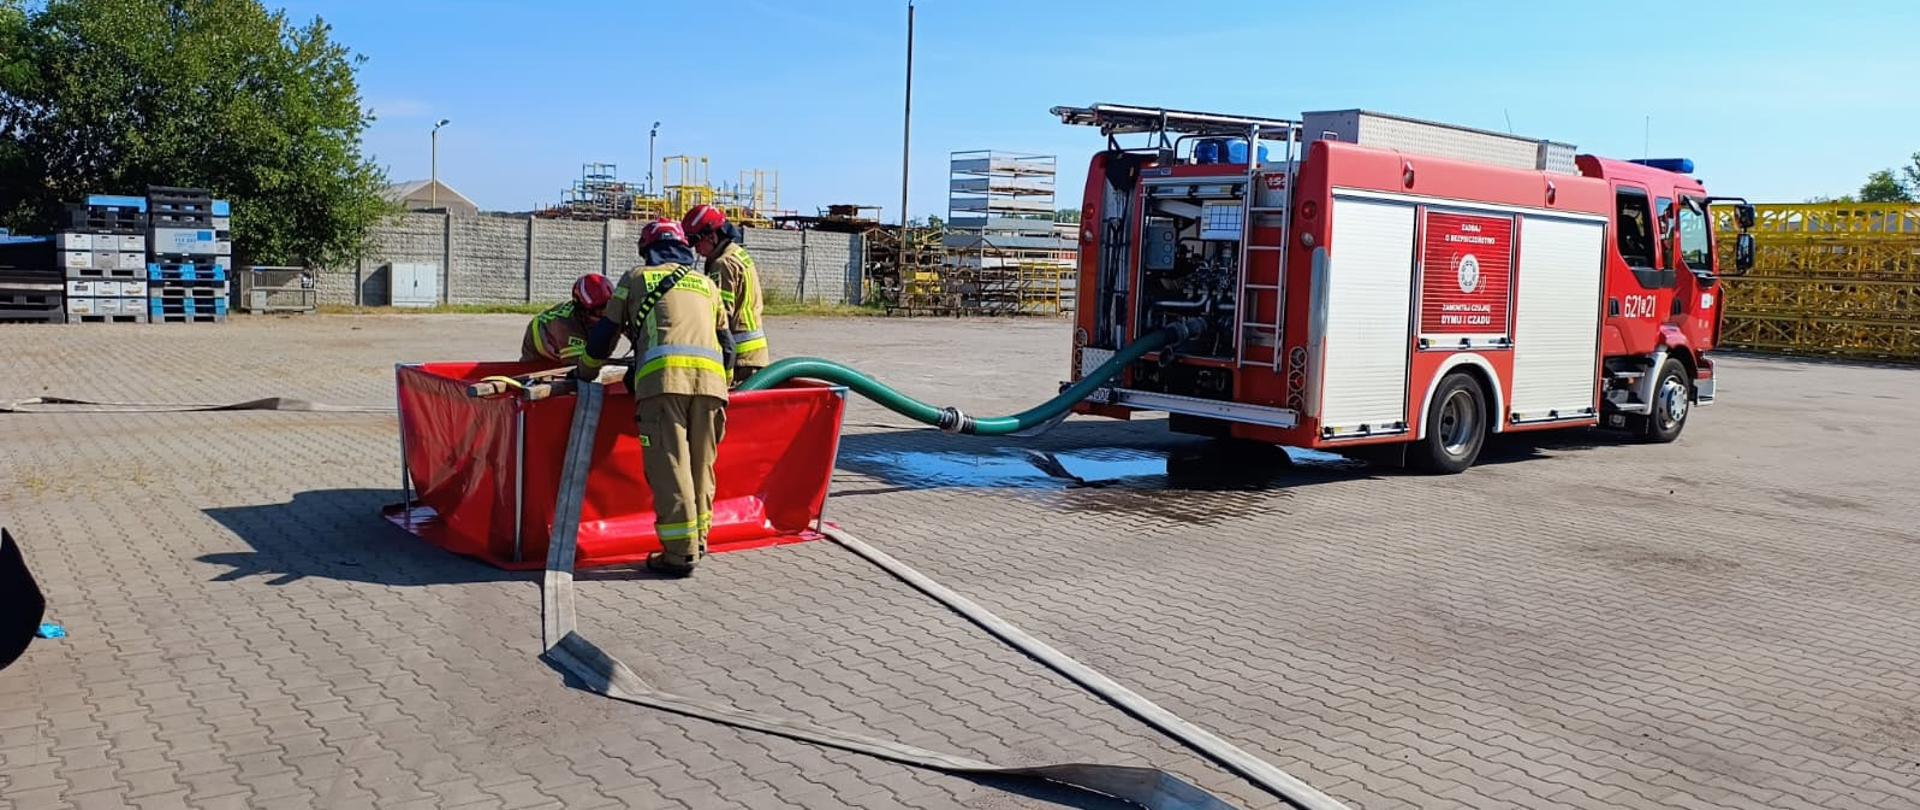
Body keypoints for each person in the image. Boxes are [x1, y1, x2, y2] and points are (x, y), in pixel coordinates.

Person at [576, 219, 733, 577]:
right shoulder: (706, 285)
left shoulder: (636, 278)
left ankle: (679, 554)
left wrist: (583, 373)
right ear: (683, 249)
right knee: (700, 466)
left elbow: (604, 337)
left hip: (662, 387)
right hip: (712, 389)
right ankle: (699, 540)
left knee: (670, 469)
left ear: (647, 250)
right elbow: (728, 348)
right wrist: (720, 385)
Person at [682, 205, 769, 384]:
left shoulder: (722, 264)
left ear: (712, 236)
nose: (695, 249)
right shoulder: (737, 253)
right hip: (753, 355)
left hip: (740, 358)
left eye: (696, 242)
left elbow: (720, 314)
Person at [520, 274, 616, 364]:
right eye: (600, 311)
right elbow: (580, 365)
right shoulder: (566, 327)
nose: (606, 314)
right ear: (583, 311)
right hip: (538, 342)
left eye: (610, 307)